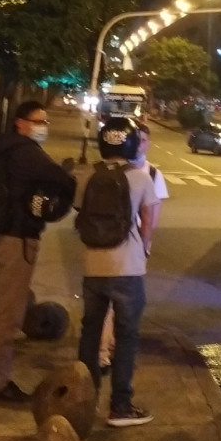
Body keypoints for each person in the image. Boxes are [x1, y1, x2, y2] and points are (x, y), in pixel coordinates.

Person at [0, 101, 76, 402]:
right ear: (20, 122)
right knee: (8, 315)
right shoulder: (26, 152)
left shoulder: (3, 149)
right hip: (18, 239)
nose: (42, 126)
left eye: (45, 121)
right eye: (38, 121)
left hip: (2, 237)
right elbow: (62, 178)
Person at [77, 116, 159, 428]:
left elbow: (78, 212)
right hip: (127, 267)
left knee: (90, 332)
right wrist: (144, 249)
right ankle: (120, 406)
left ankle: (83, 399)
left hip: (93, 265)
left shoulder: (87, 176)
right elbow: (148, 222)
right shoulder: (140, 178)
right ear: (130, 143)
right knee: (126, 335)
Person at [98, 122, 168, 372]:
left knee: (119, 306)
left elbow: (153, 216)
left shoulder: (152, 175)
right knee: (114, 304)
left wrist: (144, 247)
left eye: (144, 140)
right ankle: (104, 352)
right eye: (136, 139)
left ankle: (111, 348)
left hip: (134, 248)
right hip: (118, 246)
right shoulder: (113, 172)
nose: (140, 145)